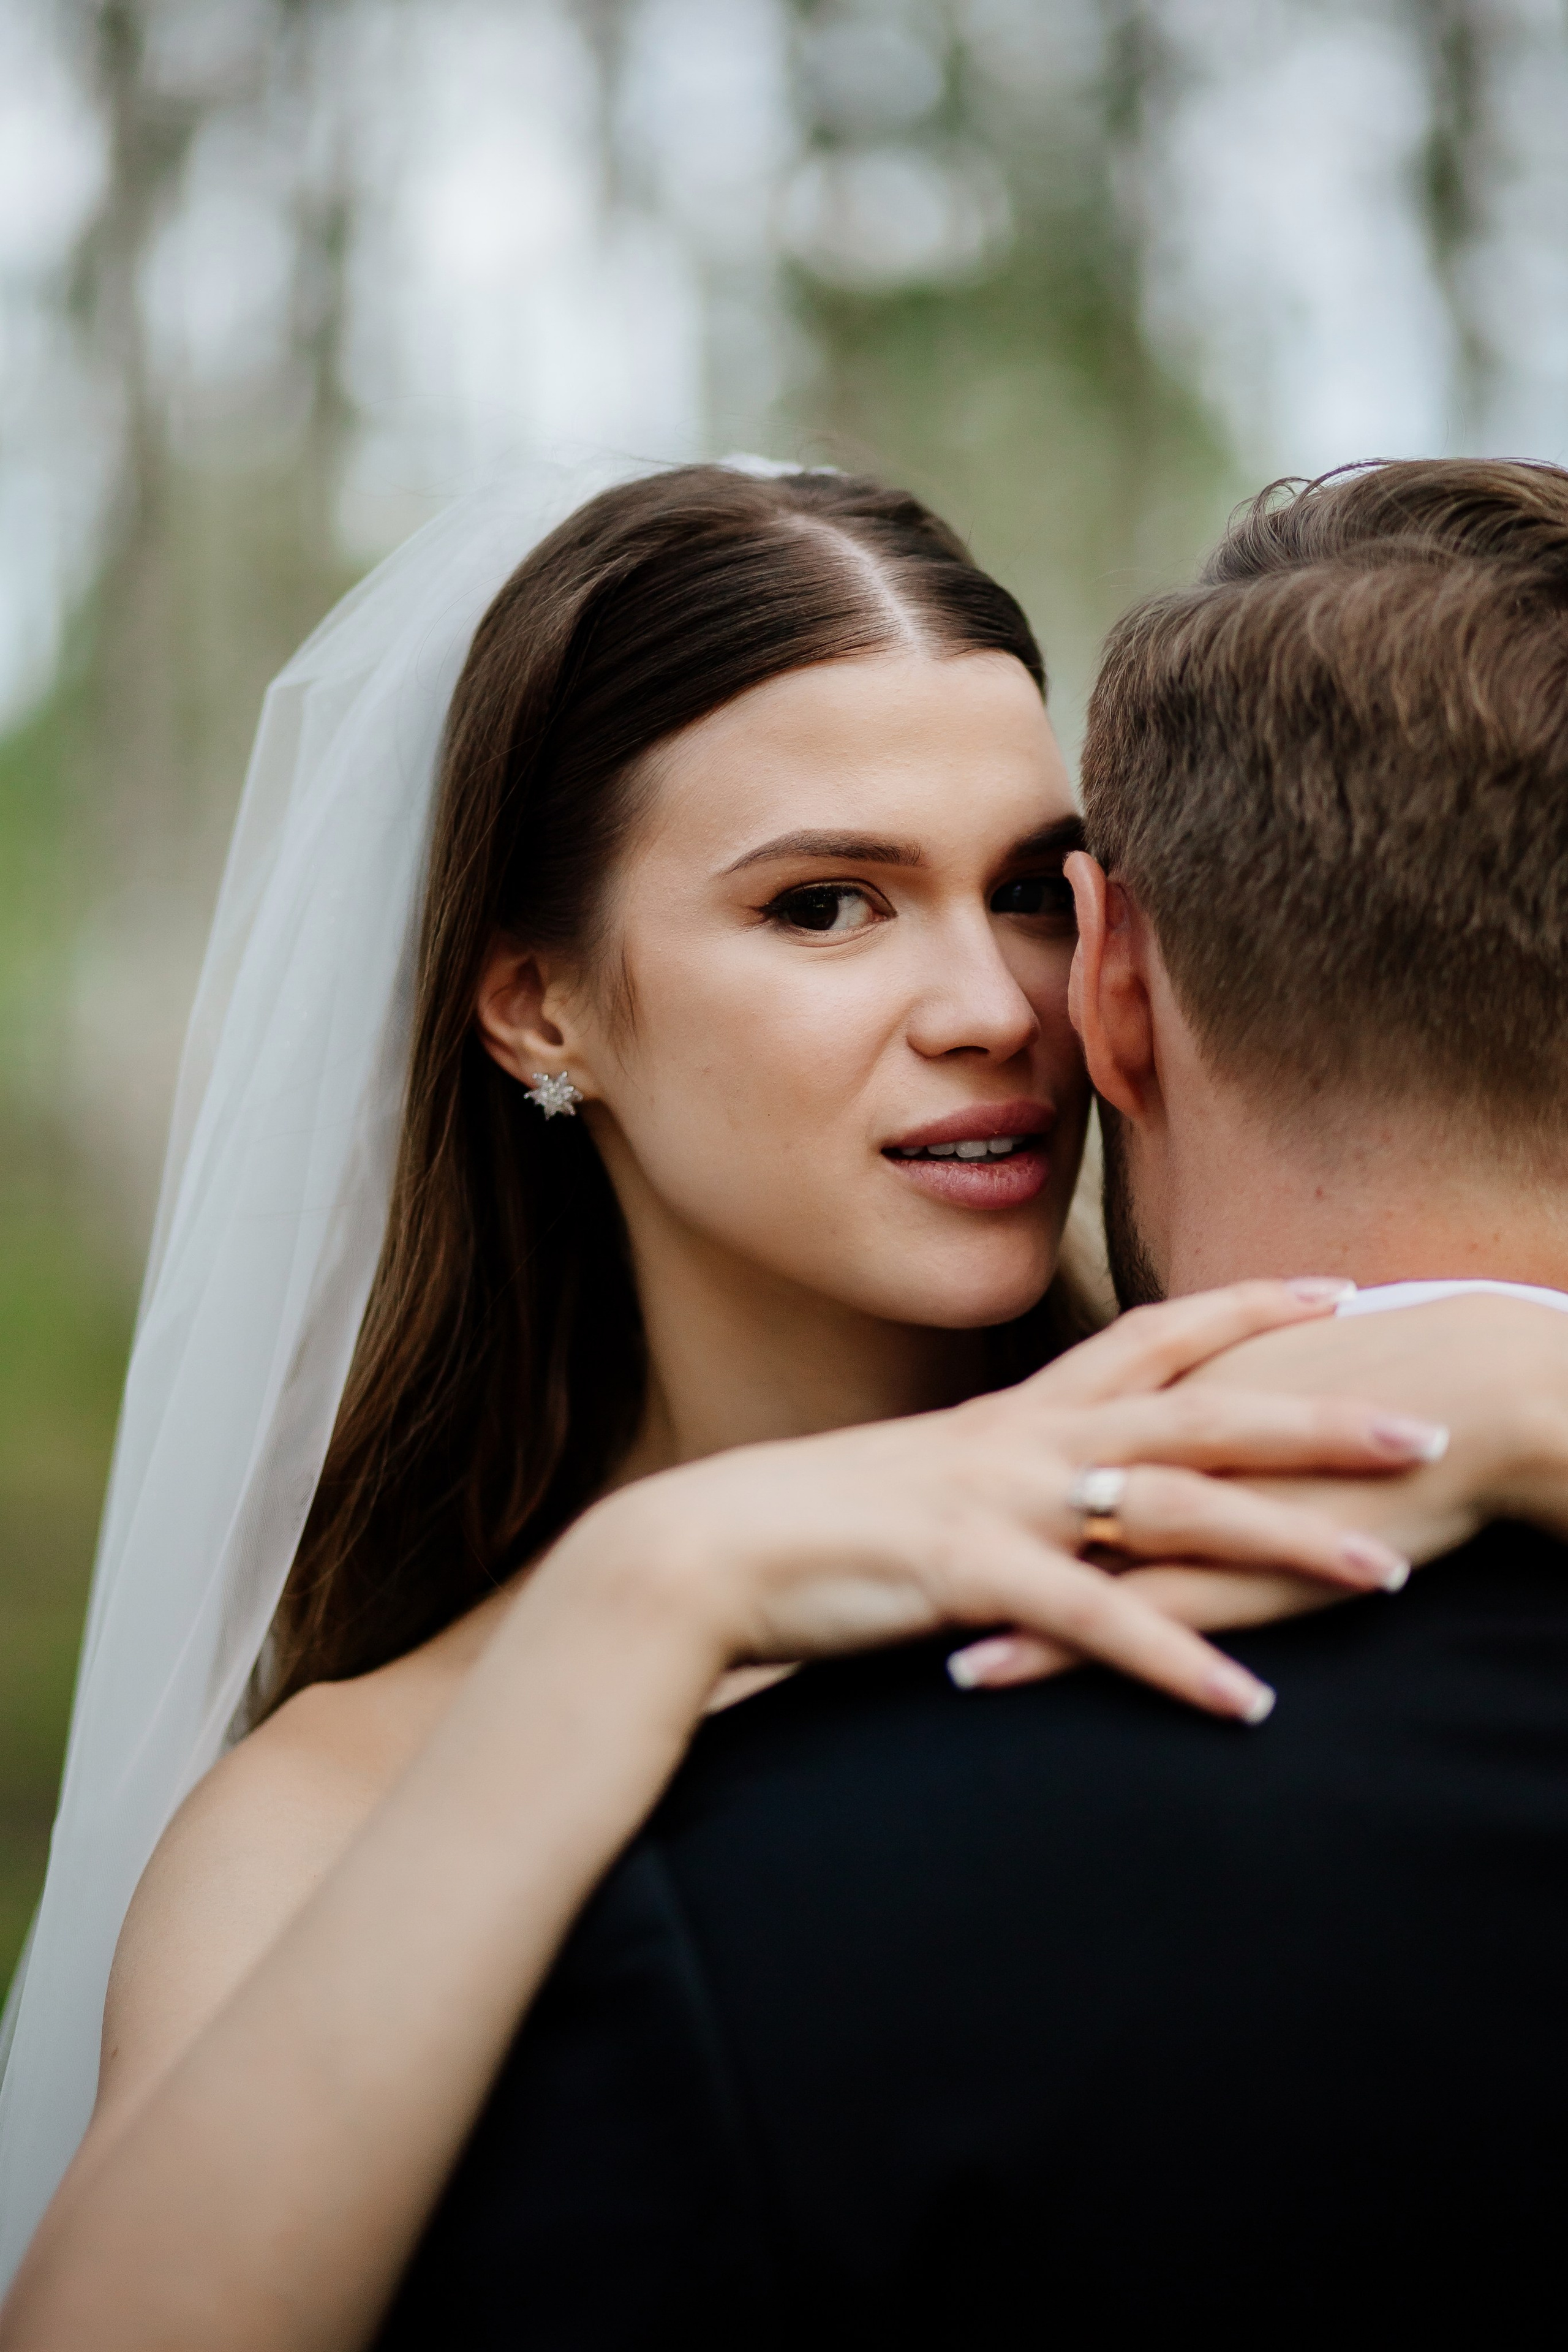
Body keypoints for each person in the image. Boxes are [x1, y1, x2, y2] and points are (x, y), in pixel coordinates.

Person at [4, 460, 1568, 2350]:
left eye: (1028, 895)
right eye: (827, 906)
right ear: (538, 1007)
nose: (991, 1004)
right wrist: (648, 1594)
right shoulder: (338, 1795)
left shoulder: (1339, 1435)